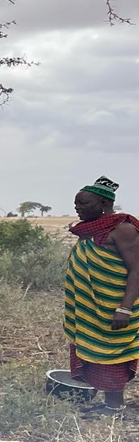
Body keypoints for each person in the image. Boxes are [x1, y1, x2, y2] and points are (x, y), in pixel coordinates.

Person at [64, 176, 139, 415]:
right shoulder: (91, 231)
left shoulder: (123, 229)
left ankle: (114, 407)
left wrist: (125, 308)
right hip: (93, 309)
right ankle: (109, 402)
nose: (78, 208)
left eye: (83, 203)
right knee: (98, 352)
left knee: (112, 354)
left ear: (104, 204)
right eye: (76, 204)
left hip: (115, 306)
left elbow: (137, 268)